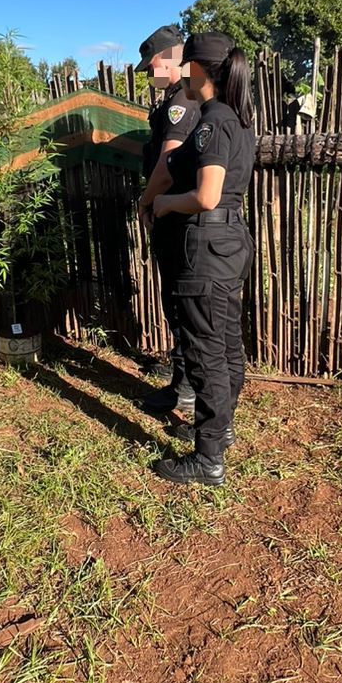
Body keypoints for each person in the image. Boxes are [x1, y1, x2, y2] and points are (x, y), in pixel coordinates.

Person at [149, 31, 255, 487]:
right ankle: (222, 429)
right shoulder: (239, 120)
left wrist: (166, 205)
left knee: (205, 350)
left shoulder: (211, 121)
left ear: (197, 69)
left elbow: (207, 195)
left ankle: (208, 457)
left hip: (206, 247)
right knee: (227, 340)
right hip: (231, 242)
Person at [135, 25, 200, 413]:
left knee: (181, 301)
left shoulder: (182, 102)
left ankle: (190, 389)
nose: (148, 72)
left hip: (176, 215)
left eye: (152, 64)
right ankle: (182, 384)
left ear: (174, 55)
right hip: (174, 213)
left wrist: (146, 200)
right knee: (174, 301)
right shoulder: (177, 97)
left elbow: (168, 161)